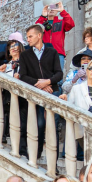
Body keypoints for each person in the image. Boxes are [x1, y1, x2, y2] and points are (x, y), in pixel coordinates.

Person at [20, 25, 64, 156]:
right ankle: (38, 152)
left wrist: (48, 82)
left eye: (30, 36)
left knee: (53, 126)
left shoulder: (52, 52)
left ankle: (54, 160)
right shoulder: (25, 55)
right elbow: (23, 76)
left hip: (52, 91)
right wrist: (39, 83)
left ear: (39, 35)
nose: (28, 39)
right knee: (39, 123)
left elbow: (59, 73)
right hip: (37, 92)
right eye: (27, 37)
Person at [36, 1, 75, 69]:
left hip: (58, 53)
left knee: (58, 77)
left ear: (57, 10)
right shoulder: (42, 23)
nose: (51, 9)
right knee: (44, 77)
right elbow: (35, 31)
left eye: (54, 7)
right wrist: (43, 16)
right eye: (49, 7)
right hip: (44, 54)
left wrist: (62, 11)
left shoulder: (61, 22)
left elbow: (71, 24)